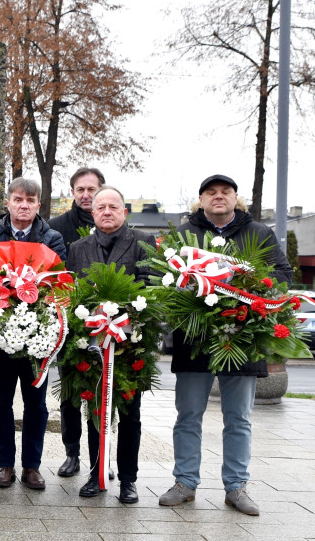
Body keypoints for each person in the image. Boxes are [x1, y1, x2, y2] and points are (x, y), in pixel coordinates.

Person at [158, 174, 292, 516]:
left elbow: (282, 276)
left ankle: (237, 487)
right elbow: (167, 279)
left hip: (243, 338)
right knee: (188, 414)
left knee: (239, 418)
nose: (218, 197)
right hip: (195, 338)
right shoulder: (187, 236)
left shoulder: (258, 233)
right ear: (201, 200)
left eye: (225, 192)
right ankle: (185, 482)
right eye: (211, 193)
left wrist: (252, 285)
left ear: (236, 198)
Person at [65, 186, 156, 504]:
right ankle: (96, 474)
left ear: (124, 212)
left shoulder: (143, 244)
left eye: (113, 206)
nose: (106, 211)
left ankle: (128, 480)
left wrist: (126, 315)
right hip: (91, 346)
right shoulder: (77, 248)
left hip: (131, 345)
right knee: (94, 410)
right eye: (100, 207)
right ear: (92, 212)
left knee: (130, 415)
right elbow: (71, 295)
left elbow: (152, 289)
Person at [0, 177, 66, 491]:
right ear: (8, 202)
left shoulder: (52, 238)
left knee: (37, 404)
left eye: (30, 201)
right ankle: (5, 465)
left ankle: (32, 466)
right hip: (0, 336)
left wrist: (37, 318)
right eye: (18, 199)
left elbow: (59, 284)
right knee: (0, 402)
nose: (24, 205)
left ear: (38, 205)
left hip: (39, 340)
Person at [46, 167, 105, 478]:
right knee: (69, 393)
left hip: (107, 326)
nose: (86, 195)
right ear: (72, 193)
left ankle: (102, 454)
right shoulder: (57, 228)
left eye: (91, 189)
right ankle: (72, 454)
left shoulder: (111, 223)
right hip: (70, 324)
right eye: (80, 189)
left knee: (101, 392)